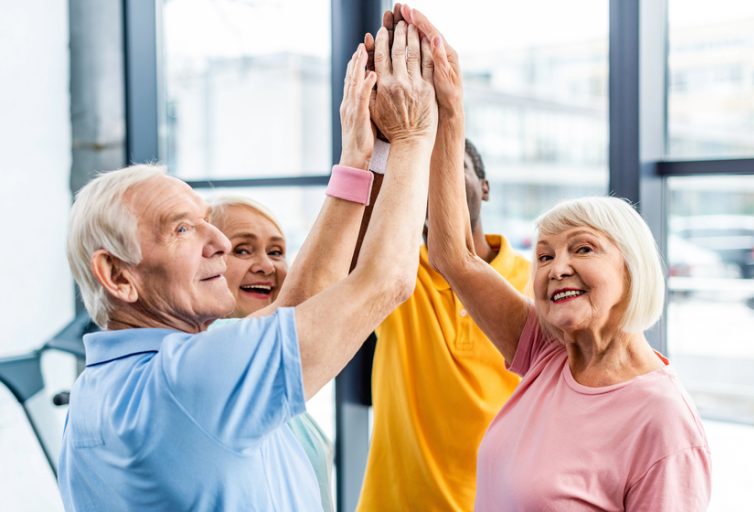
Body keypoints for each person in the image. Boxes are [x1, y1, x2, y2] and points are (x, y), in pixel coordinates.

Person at [58, 24, 438, 511]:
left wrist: (360, 158)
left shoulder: (107, 388)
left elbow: (300, 306)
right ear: (118, 276)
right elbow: (384, 280)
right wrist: (412, 136)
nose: (216, 240)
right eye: (181, 229)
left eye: (205, 222)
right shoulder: (185, 382)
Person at [403, 5, 712, 509]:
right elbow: (451, 255)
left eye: (582, 248)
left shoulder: (663, 420)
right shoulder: (549, 354)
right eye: (544, 255)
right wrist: (449, 110)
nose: (556, 267)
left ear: (632, 268)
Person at [357, 134, 530, 509]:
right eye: (425, 169)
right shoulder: (397, 274)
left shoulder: (535, 283)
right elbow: (363, 225)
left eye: (451, 166)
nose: (437, 179)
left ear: (484, 188)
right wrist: (387, 141)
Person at [208, 196, 334, 512]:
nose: (266, 266)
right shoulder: (212, 353)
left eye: (276, 252)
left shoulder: (280, 381)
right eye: (242, 250)